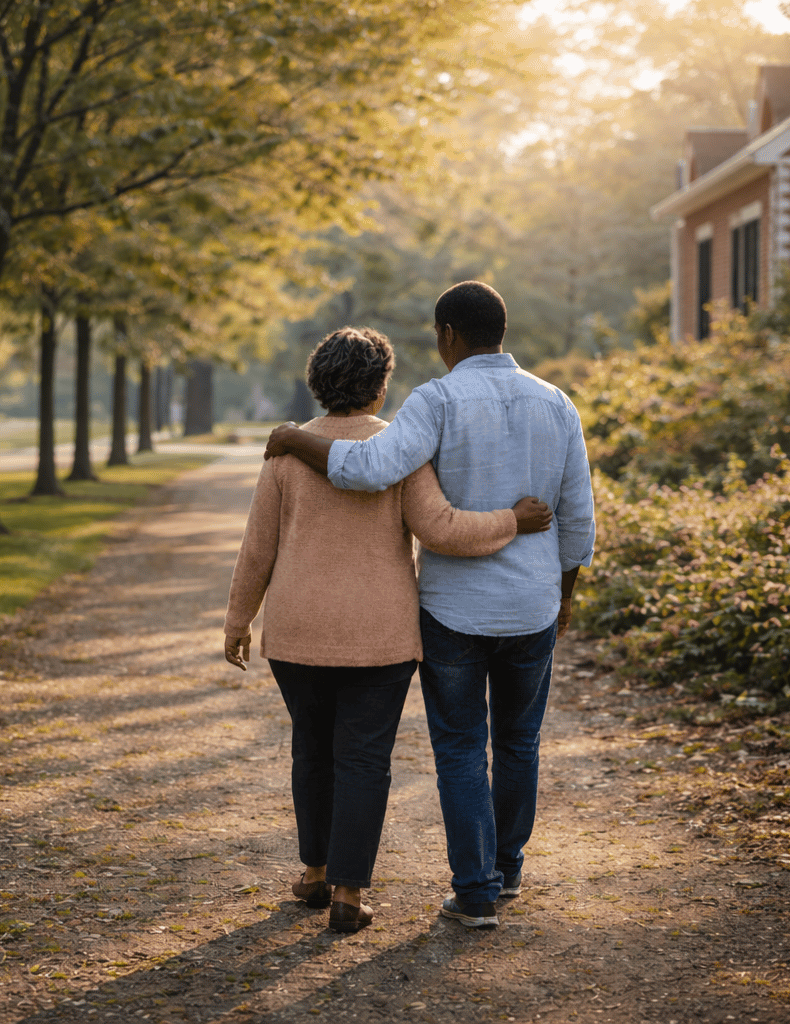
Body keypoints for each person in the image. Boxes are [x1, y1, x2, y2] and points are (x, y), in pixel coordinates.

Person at [263, 282, 596, 930]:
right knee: (520, 742)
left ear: (447, 335)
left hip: (454, 611)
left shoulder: (436, 400)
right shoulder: (558, 404)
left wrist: (291, 438)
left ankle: (474, 892)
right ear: (502, 330)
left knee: (461, 748)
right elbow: (578, 518)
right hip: (531, 603)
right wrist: (563, 597)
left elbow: (369, 468)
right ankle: (508, 873)